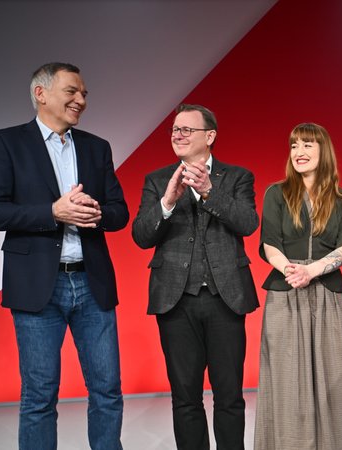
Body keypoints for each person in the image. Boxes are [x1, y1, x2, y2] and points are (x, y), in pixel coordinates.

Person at [0, 62, 128, 450]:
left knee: (108, 390)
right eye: (72, 92)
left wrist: (94, 213)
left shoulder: (97, 147)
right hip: (37, 287)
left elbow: (119, 212)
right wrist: (52, 212)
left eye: (84, 95)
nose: (80, 100)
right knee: (39, 396)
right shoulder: (7, 142)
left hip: (91, 282)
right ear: (41, 94)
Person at [131, 104, 259, 450]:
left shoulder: (237, 178)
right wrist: (167, 203)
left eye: (187, 129)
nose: (178, 135)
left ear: (210, 136)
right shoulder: (158, 180)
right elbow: (141, 236)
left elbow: (248, 223)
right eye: (175, 130)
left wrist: (208, 192)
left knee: (229, 395)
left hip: (225, 298)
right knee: (185, 396)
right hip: (175, 299)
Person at [254, 123, 342, 450]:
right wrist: (291, 270)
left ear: (323, 151)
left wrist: (312, 271)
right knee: (286, 384)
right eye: (294, 146)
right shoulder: (276, 193)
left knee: (334, 383)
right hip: (286, 291)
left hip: (328, 295)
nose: (299, 152)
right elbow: (268, 243)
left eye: (307, 145)